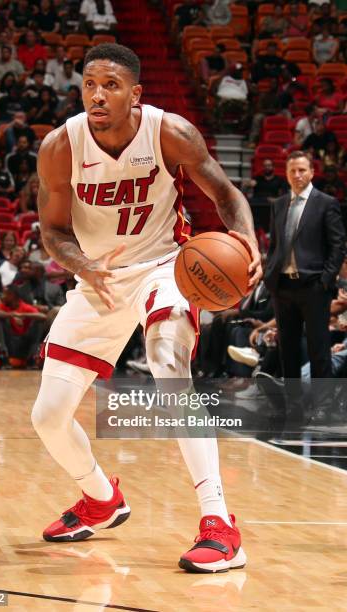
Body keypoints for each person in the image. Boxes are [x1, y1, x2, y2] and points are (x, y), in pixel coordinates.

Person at [32, 43, 262, 574]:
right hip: (100, 277)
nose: (97, 94)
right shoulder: (59, 147)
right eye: (89, 83)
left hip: (166, 266)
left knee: (167, 365)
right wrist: (82, 265)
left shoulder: (169, 132)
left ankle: (220, 525)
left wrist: (247, 241)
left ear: (135, 93)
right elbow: (53, 230)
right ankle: (100, 498)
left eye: (110, 85)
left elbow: (226, 196)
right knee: (46, 417)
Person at [264, 151, 346, 425]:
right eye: (292, 171)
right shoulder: (278, 204)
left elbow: (338, 247)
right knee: (286, 348)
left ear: (312, 171)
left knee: (318, 348)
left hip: (313, 287)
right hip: (283, 286)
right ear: (286, 174)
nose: (297, 175)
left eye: (302, 170)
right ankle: (293, 405)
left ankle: (323, 406)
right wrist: (269, 276)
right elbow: (274, 245)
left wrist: (325, 281)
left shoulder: (327, 203)